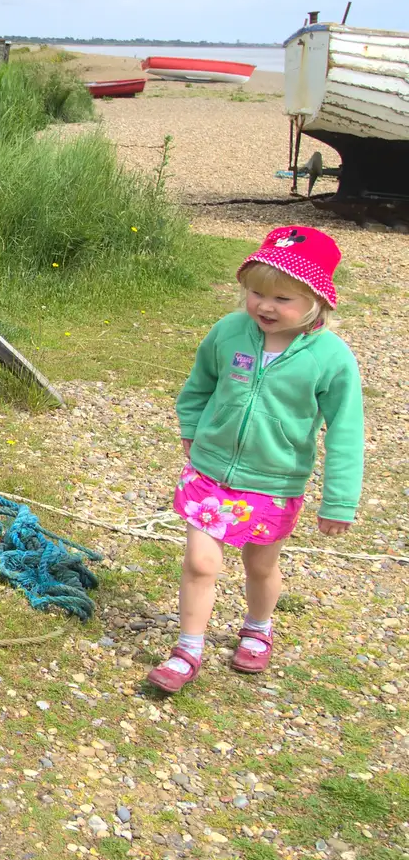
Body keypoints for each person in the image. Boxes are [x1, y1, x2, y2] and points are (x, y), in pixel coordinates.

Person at [146, 226, 364, 694]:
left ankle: (258, 627)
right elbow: (199, 385)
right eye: (256, 293)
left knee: (260, 565)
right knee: (201, 562)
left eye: (282, 298)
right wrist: (191, 428)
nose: (265, 306)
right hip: (211, 472)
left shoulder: (332, 359)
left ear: (318, 301)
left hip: (274, 481)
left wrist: (339, 500)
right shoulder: (229, 332)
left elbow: (347, 432)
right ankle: (188, 649)